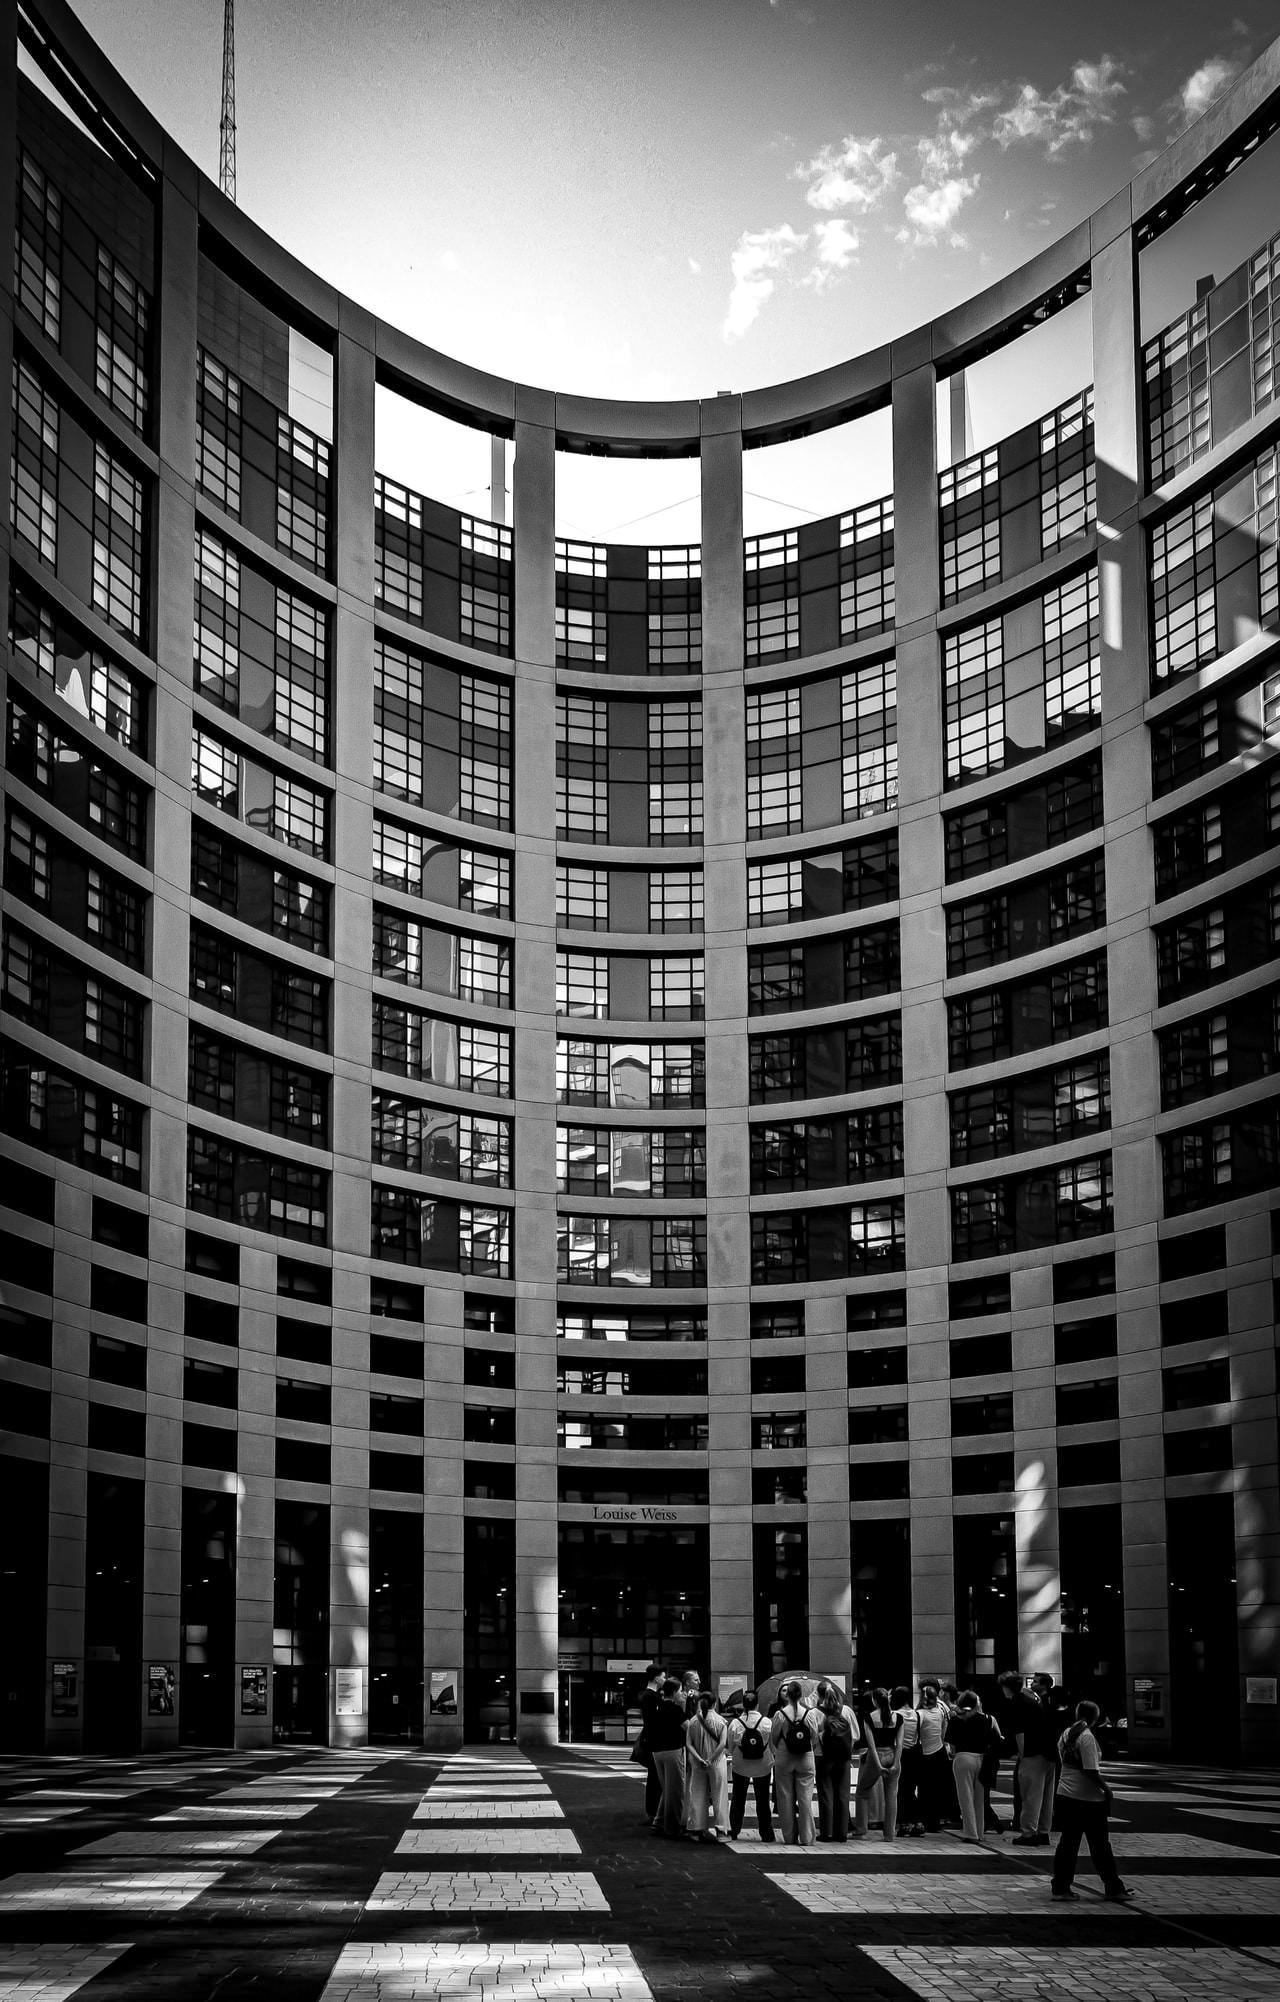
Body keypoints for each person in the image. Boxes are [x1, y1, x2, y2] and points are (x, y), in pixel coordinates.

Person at [1051, 1699, 1133, 1901]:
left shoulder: (1066, 1734)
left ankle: (1060, 1887)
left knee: (1067, 1844)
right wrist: (1106, 1789)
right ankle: (1113, 1887)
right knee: (1100, 1846)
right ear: (1096, 1717)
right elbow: (1090, 1770)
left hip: (1065, 1795)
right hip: (1088, 1800)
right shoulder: (1086, 1737)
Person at [943, 1689, 1000, 1842]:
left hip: (962, 1758)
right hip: (982, 1759)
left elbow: (951, 1745)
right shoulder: (989, 1719)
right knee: (980, 1798)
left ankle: (970, 1832)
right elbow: (997, 1739)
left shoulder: (955, 1720)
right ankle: (980, 1832)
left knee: (965, 1797)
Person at [769, 1679, 821, 1847]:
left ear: (788, 1696)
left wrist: (783, 1747)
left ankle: (789, 1837)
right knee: (805, 1798)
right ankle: (807, 1837)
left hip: (784, 1757)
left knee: (785, 1797)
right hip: (805, 1757)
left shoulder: (780, 1714)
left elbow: (774, 1738)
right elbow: (814, 1737)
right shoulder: (810, 1713)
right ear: (801, 1695)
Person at [853, 1686, 903, 1840]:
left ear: (874, 1701)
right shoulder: (898, 1718)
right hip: (892, 1754)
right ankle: (889, 1834)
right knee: (891, 1796)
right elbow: (899, 1744)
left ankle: (861, 1830)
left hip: (877, 1756)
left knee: (862, 1791)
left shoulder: (869, 1717)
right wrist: (896, 1763)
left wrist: (878, 1765)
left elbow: (871, 1745)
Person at [1015, 1676, 1059, 1846]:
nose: (1032, 1683)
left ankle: (1028, 1833)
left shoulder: (1034, 1704)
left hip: (1035, 1753)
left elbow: (1024, 1731)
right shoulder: (1051, 1701)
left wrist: (1022, 1753)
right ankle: (1043, 1832)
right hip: (1050, 1754)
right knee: (1047, 1796)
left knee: (1031, 1795)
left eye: (1035, 1681)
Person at [813, 1680, 859, 1842]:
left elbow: (813, 1738)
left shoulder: (815, 1713)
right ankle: (842, 1833)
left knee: (826, 1794)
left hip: (823, 1758)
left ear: (818, 1695)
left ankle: (827, 1832)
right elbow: (856, 1735)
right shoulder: (846, 1710)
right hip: (844, 1758)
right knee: (843, 1794)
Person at [727, 1689, 775, 1843]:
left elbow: (730, 1747)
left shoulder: (735, 1723)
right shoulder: (767, 1722)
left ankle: (733, 1830)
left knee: (738, 1798)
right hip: (763, 1765)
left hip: (741, 1765)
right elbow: (772, 1746)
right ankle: (766, 1833)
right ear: (757, 1704)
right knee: (763, 1800)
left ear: (744, 1705)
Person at [647, 1676, 689, 1838]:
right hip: (673, 1751)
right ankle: (673, 1828)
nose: (683, 1694)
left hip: (657, 1752)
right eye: (680, 1691)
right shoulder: (675, 1709)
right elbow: (689, 1728)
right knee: (676, 1791)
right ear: (674, 1692)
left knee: (668, 1789)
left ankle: (658, 1822)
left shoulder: (657, 1707)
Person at [684, 1691, 729, 1840]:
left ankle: (696, 1829)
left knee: (697, 1794)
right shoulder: (721, 1721)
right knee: (719, 1795)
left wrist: (700, 1759)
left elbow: (688, 1744)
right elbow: (722, 1744)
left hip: (697, 1763)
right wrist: (710, 1759)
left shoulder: (692, 1721)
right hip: (716, 1762)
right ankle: (721, 1831)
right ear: (715, 1704)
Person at [915, 1680, 951, 1833]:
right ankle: (935, 1822)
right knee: (937, 1789)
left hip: (925, 1753)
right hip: (939, 1751)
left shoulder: (920, 1714)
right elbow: (944, 1733)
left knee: (924, 1789)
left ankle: (925, 1819)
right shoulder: (941, 1711)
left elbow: (916, 1736)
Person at [891, 1684, 924, 1836]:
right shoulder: (916, 1714)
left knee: (902, 1790)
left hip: (901, 1754)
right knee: (911, 1790)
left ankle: (904, 1824)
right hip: (915, 1754)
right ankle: (917, 1822)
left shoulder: (895, 1714)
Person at [638, 1663, 665, 1828]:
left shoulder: (649, 1695)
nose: (665, 1679)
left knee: (655, 1778)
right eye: (663, 1676)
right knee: (655, 1779)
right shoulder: (651, 1696)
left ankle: (654, 1812)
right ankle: (653, 1812)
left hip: (652, 1741)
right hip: (654, 1743)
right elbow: (653, 1722)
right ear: (656, 1678)